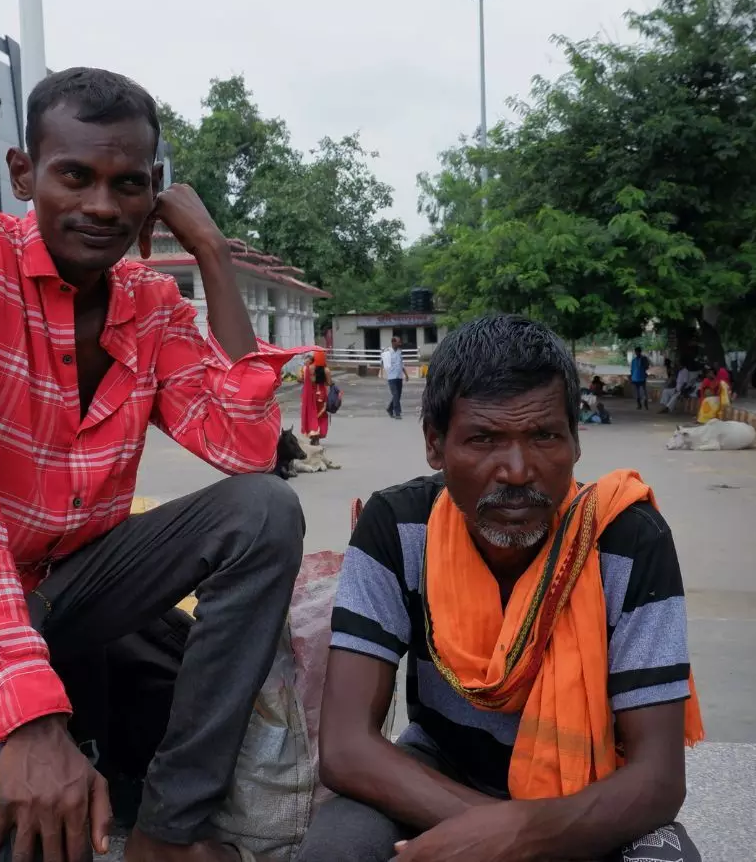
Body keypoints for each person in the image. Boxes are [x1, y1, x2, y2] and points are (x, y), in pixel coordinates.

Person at [0, 68, 310, 862]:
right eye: (75, 176)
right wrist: (31, 718)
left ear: (156, 192)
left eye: (130, 185)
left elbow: (246, 447)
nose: (103, 206)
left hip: (62, 583)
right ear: (24, 174)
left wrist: (213, 253)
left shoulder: (147, 304)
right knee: (47, 811)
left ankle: (169, 830)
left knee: (263, 513)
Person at [298, 313, 704, 862]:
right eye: (484, 438)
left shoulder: (629, 541)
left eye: (544, 436)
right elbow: (346, 748)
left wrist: (527, 835)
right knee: (337, 848)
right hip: (441, 770)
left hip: (591, 790)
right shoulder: (397, 527)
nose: (517, 470)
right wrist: (496, 831)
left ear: (576, 442)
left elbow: (657, 780)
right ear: (435, 447)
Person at [303, 349, 332, 440]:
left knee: (311, 413)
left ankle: (313, 431)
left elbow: (303, 380)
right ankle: (320, 431)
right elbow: (329, 383)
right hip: (321, 394)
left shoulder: (308, 368)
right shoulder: (326, 370)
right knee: (322, 415)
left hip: (311, 394)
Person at [382, 336, 406, 419]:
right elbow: (385, 364)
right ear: (393, 342)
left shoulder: (399, 352)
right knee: (395, 394)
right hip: (391, 377)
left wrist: (406, 374)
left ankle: (389, 409)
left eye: (400, 342)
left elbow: (401, 364)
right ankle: (397, 413)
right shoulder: (387, 352)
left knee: (398, 395)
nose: (400, 343)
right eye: (398, 342)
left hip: (399, 376)